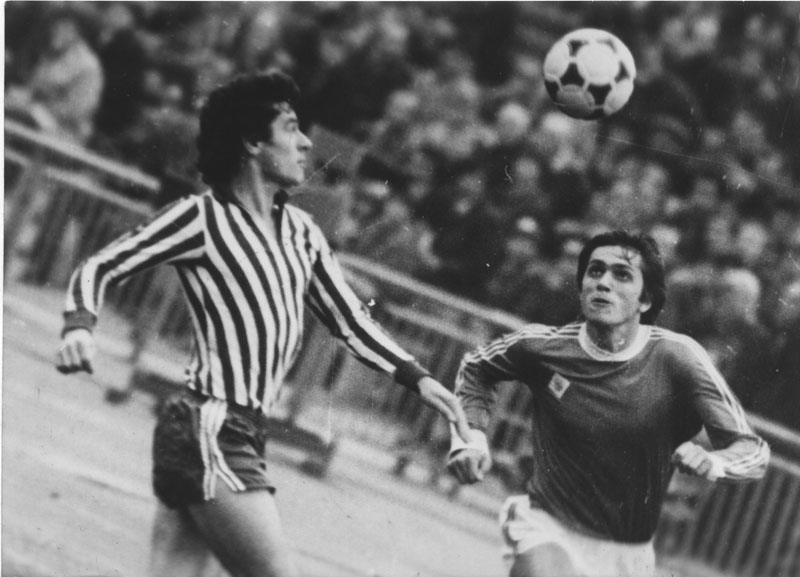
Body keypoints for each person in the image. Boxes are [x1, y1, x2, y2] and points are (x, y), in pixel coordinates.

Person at [55, 71, 470, 577]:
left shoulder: (302, 231)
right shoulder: (202, 217)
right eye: (291, 129)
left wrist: (420, 379)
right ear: (252, 143)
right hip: (211, 424)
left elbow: (350, 320)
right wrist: (79, 325)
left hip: (240, 428)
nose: (307, 143)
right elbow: (101, 265)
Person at [447, 230, 770, 577]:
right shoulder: (543, 346)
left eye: (622, 275)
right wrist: (472, 437)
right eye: (595, 271)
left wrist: (713, 461)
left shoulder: (678, 358)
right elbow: (476, 368)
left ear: (645, 301)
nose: (603, 282)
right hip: (546, 526)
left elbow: (753, 450)